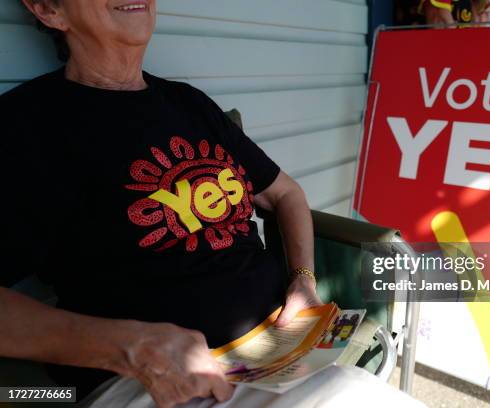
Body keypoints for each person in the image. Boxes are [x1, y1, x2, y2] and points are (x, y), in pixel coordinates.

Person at [0, 1, 425, 407]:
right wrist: (128, 347)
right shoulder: (28, 126)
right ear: (47, 9)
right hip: (156, 382)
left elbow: (286, 193)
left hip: (276, 351)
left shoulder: (189, 104)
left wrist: (303, 281)